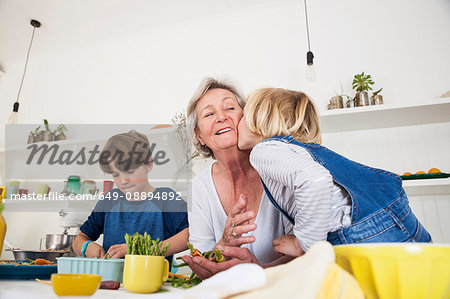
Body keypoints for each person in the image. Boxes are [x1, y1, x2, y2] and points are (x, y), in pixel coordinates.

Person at [237, 87, 432, 257]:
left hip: (363, 234)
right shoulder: (307, 150)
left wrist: (303, 243)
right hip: (402, 216)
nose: (238, 123)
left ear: (260, 120)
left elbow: (314, 180)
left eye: (244, 116)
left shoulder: (264, 150)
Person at [181, 78, 294, 278]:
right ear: (199, 136)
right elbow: (201, 264)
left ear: (245, 117)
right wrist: (223, 244)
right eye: (209, 114)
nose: (221, 117)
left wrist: (259, 272)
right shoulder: (199, 188)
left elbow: (307, 249)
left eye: (229, 108)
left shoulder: (279, 169)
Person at [72, 131, 189, 263]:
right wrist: (87, 247)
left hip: (151, 281)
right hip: (111, 282)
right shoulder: (110, 201)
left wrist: (143, 251)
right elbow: (79, 239)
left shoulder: (165, 199)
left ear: (149, 164)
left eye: (130, 172)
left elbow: (190, 234)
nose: (123, 181)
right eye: (116, 175)